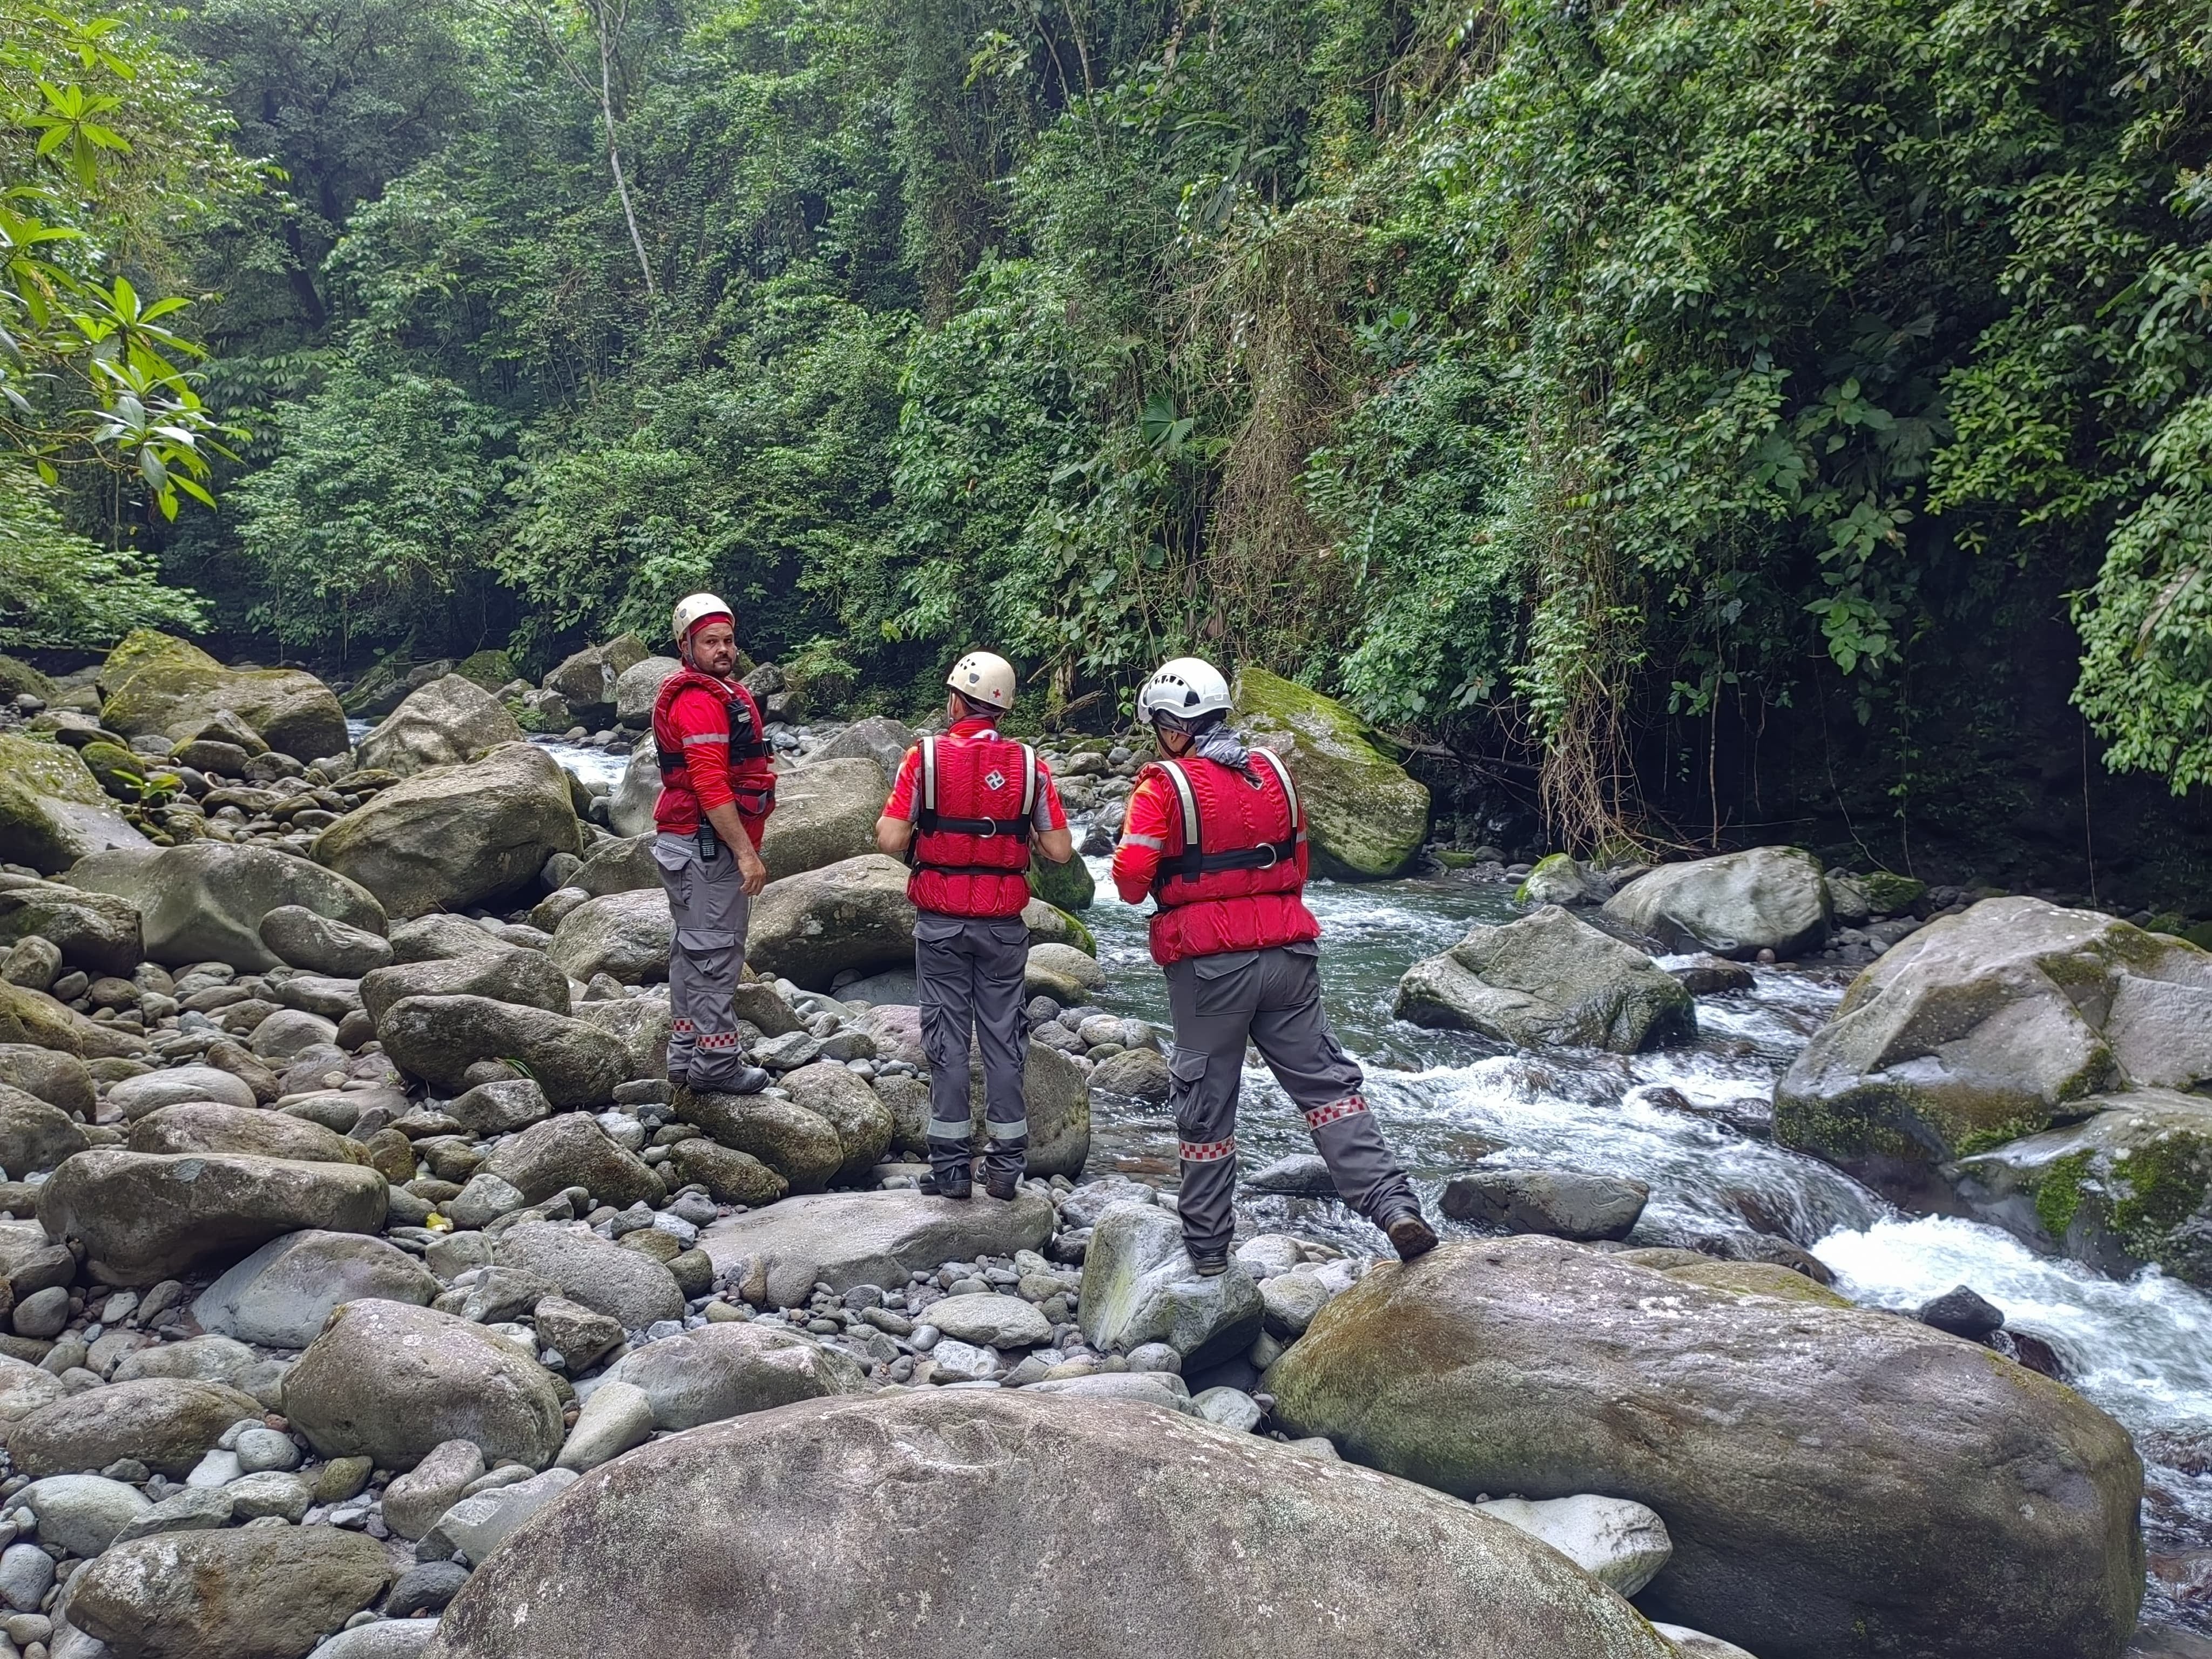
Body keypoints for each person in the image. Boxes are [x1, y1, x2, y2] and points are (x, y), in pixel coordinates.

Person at [1111, 656, 1438, 1273]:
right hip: (1289, 955)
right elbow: (1297, 862)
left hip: (1209, 969)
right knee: (1327, 1090)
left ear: (1172, 726)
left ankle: (1208, 1252)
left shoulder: (1163, 786)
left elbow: (1129, 883)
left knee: (1206, 1104)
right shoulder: (1275, 773)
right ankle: (1394, 1207)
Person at [876, 651, 1074, 1200]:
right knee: (1002, 1041)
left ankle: (951, 1173)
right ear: (1002, 710)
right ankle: (1007, 1172)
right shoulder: (1032, 766)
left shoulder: (924, 759)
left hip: (941, 923)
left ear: (957, 701)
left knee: (945, 1041)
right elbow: (1058, 849)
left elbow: (890, 840)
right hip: (1003, 926)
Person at [652, 592, 775, 1097]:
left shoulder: (716, 692)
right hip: (704, 849)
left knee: (692, 952)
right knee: (715, 955)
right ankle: (718, 1063)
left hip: (688, 844)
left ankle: (685, 1058)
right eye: (710, 642)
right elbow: (710, 785)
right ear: (687, 646)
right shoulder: (701, 701)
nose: (723, 650)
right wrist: (746, 852)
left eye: (727, 640)